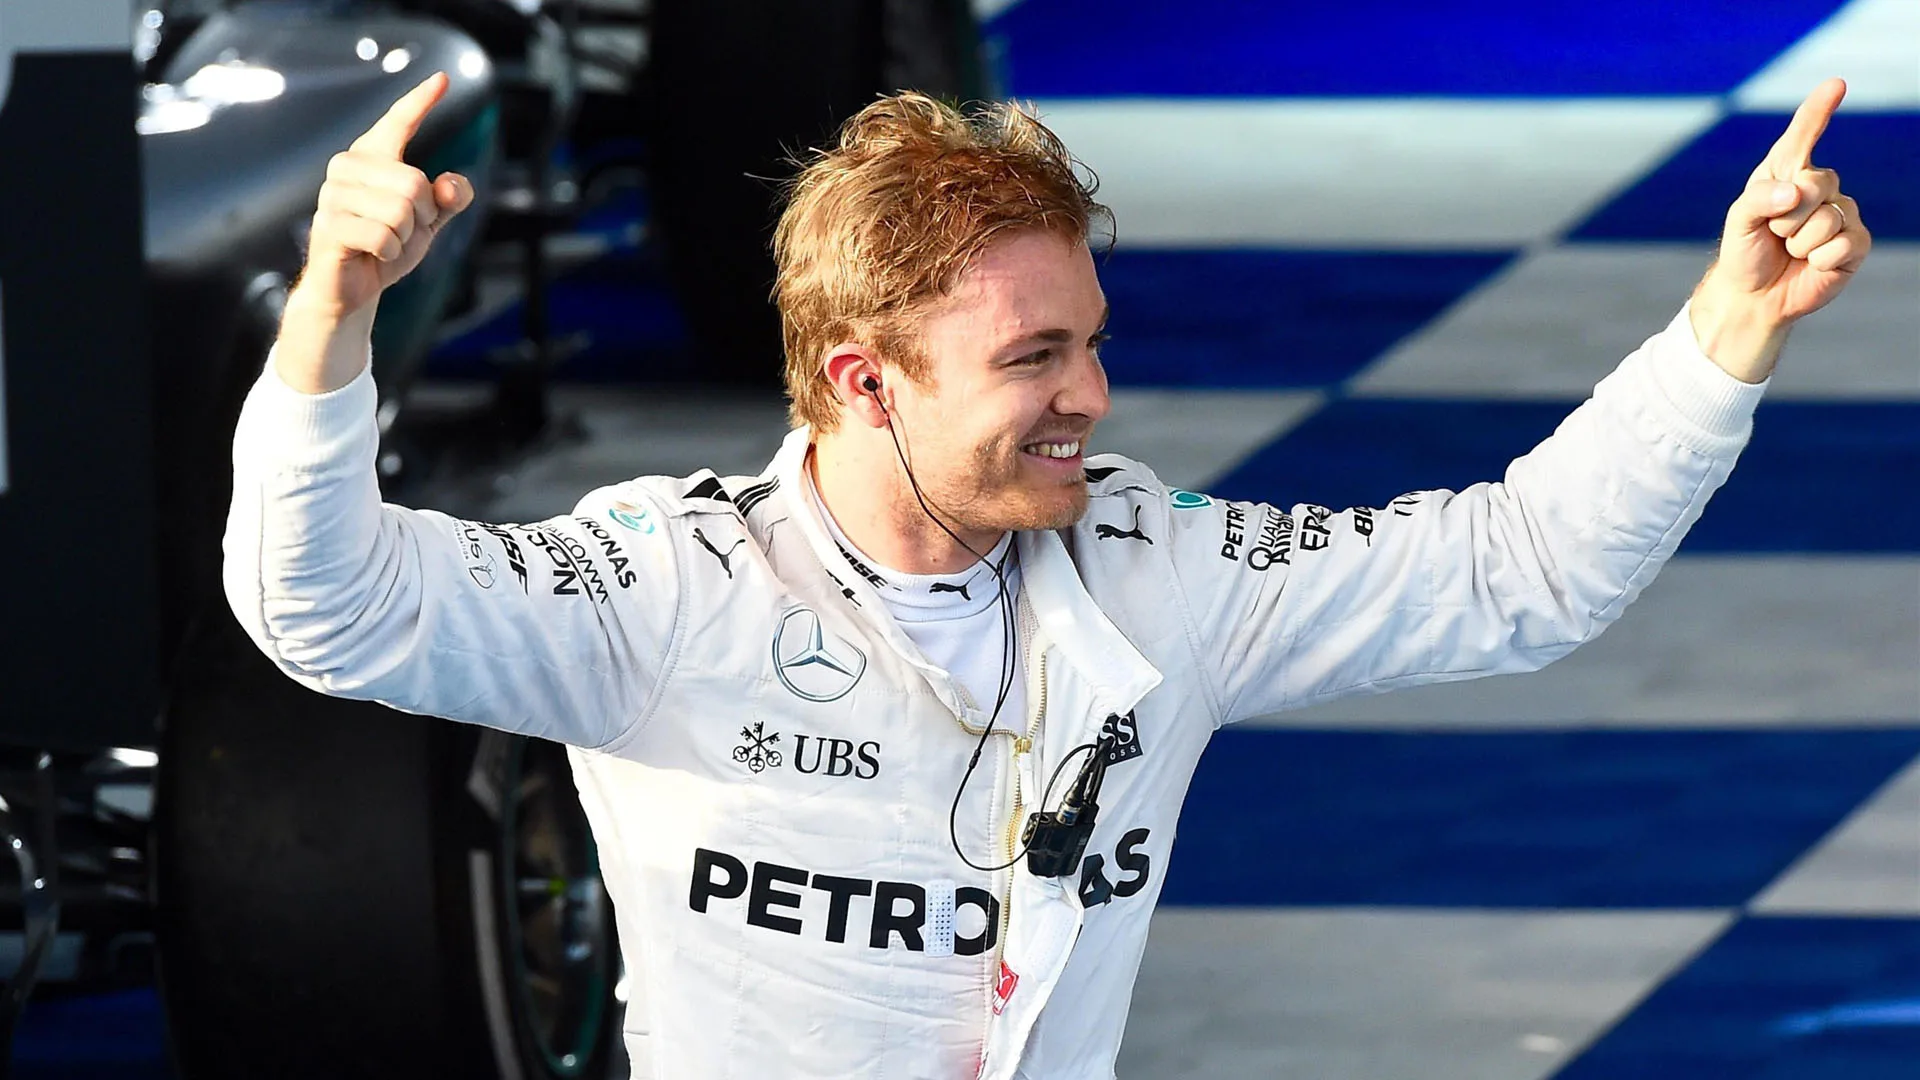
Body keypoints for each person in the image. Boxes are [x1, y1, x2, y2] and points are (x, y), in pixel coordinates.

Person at [226, 71, 1872, 1079]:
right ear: (867, 380)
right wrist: (334, 316)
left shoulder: (1160, 571)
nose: (1091, 398)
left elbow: (1520, 575)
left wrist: (1728, 330)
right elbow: (325, 610)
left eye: (1091, 343)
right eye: (1035, 357)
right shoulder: (671, 590)